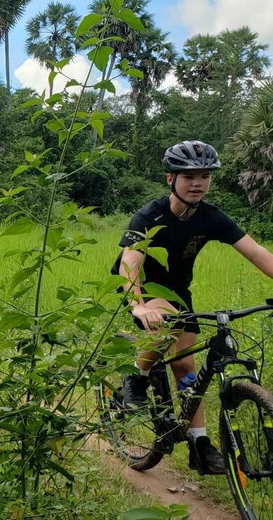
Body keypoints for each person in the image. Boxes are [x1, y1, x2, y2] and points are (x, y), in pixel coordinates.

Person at [111, 141, 273, 475]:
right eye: (188, 176)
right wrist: (138, 306)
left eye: (204, 176)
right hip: (141, 289)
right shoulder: (150, 214)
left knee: (187, 368)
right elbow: (130, 262)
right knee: (165, 318)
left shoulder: (211, 217)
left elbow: (256, 251)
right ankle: (136, 377)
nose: (197, 182)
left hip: (178, 294)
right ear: (170, 178)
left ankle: (200, 443)